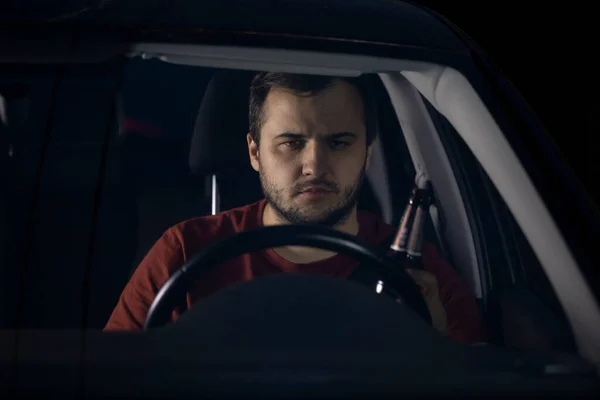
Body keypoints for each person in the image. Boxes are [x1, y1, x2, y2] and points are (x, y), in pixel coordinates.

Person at [104, 72, 488, 344]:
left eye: (338, 143)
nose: (315, 166)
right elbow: (112, 379)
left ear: (367, 154)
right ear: (255, 152)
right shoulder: (183, 252)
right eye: (291, 143)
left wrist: (435, 342)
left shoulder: (421, 278)